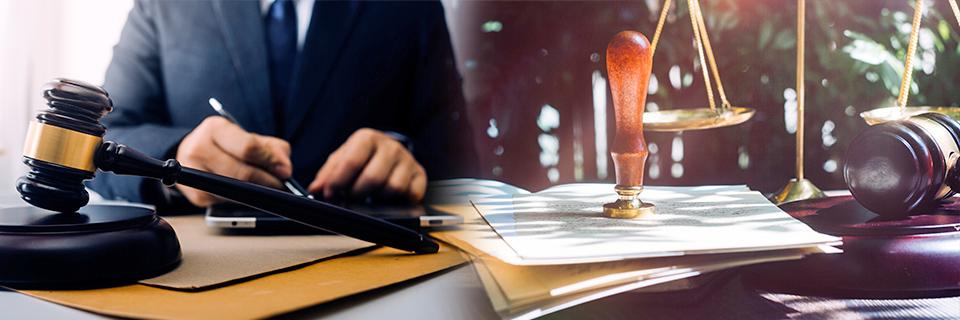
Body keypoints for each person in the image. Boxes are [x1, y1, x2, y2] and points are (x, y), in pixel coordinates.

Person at [87, 0, 476, 211]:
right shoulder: (163, 5)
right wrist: (173, 161)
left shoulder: (411, 7)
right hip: (197, 276)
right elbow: (103, 139)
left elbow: (459, 160)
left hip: (370, 272)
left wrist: (403, 157)